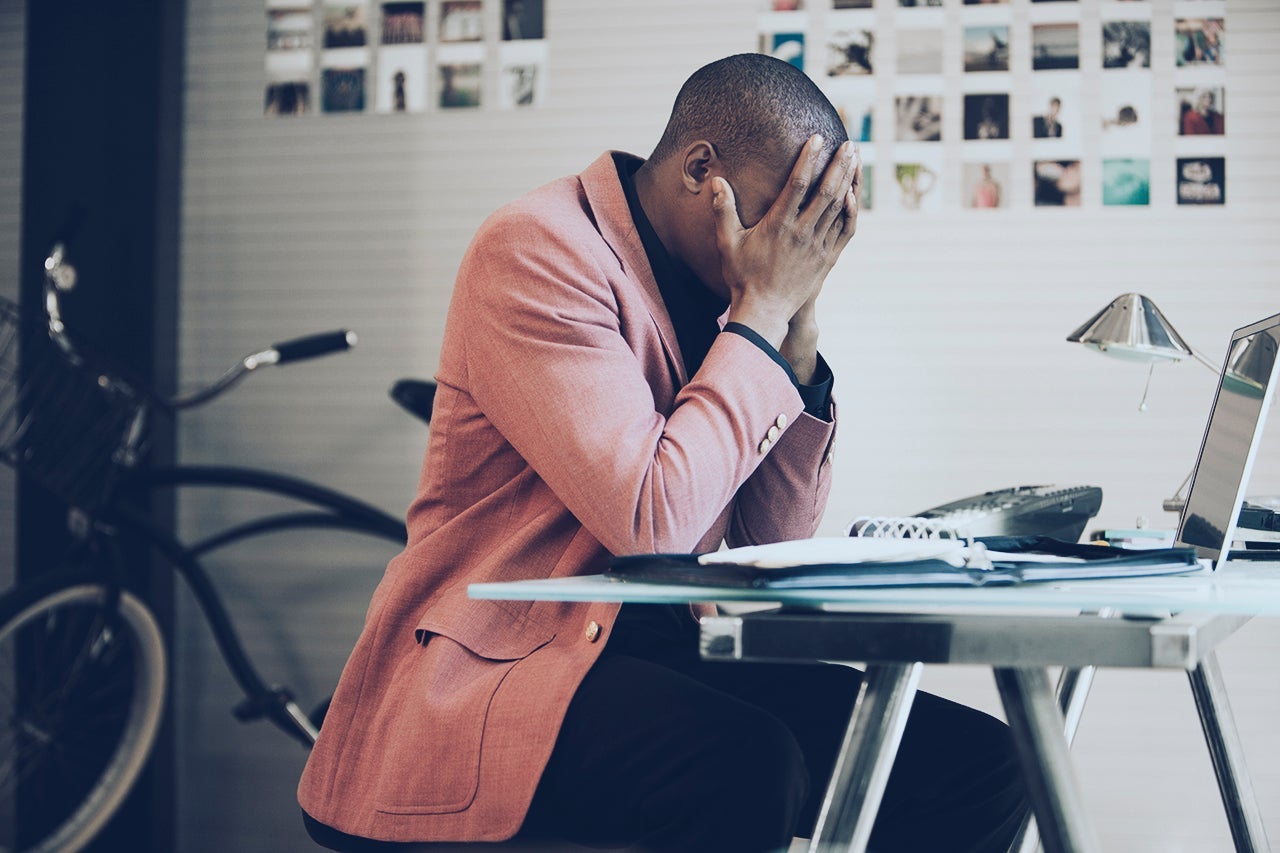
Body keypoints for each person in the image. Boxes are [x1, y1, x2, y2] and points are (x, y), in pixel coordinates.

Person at [299, 53, 1026, 853]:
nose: (787, 247)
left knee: (982, 761)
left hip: (660, 646)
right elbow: (655, 521)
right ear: (700, 169)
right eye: (780, 216)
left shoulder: (734, 293)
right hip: (504, 669)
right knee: (744, 763)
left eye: (812, 229)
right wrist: (763, 312)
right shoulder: (537, 250)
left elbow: (771, 538)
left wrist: (798, 348)